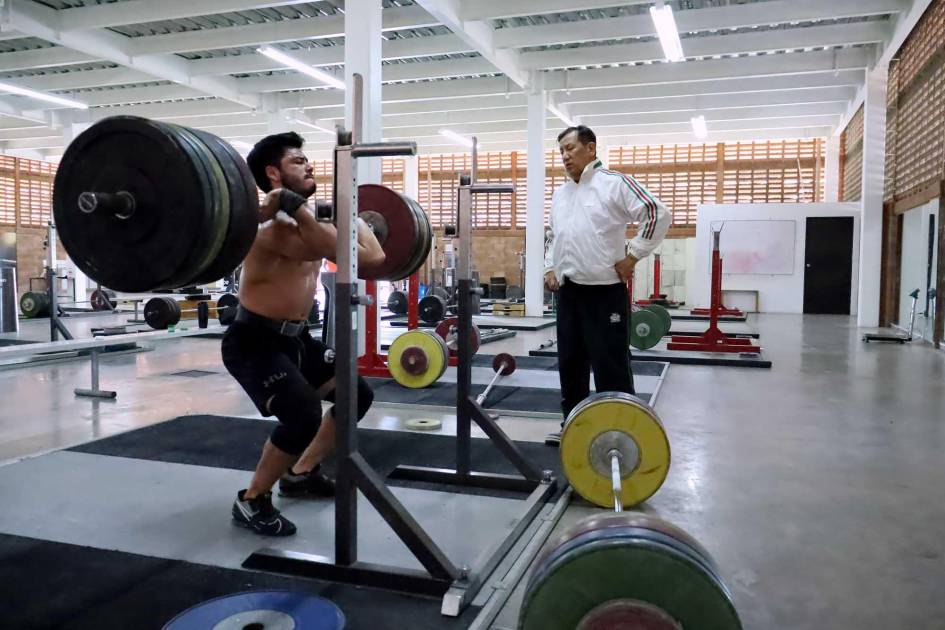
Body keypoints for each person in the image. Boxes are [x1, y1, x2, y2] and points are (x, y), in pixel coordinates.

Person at [222, 132, 386, 536]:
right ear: (273, 173)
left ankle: (300, 472)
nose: (309, 165)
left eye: (307, 158)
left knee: (355, 395)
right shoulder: (273, 228)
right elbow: (363, 255)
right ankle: (252, 499)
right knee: (302, 414)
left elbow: (372, 254)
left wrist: (345, 216)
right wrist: (340, 220)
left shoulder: (306, 220)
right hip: (254, 342)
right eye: (298, 160)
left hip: (296, 338)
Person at [544, 125, 671, 445]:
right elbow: (553, 235)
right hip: (569, 294)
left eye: (571, 148)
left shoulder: (613, 183)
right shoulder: (561, 194)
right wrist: (549, 267)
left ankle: (619, 432)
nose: (565, 156)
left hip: (605, 294)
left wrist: (634, 255)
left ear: (591, 148)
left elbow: (657, 213)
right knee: (570, 364)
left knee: (610, 366)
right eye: (561, 151)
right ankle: (573, 428)